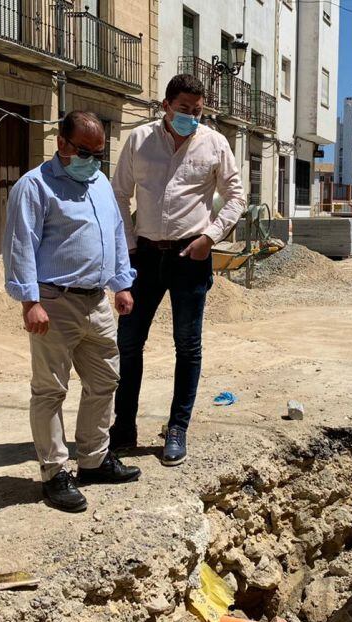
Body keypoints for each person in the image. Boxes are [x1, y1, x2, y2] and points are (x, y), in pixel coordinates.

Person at [2, 111, 141, 513]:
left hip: (96, 301)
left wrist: (122, 283)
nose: (93, 160)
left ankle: (95, 459)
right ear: (61, 144)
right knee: (50, 389)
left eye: (100, 153)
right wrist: (30, 302)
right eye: (85, 151)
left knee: (105, 381)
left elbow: (114, 233)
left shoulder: (99, 183)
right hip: (54, 301)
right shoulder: (34, 186)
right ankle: (54, 472)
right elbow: (20, 246)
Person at [110, 74, 245, 467]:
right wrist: (129, 245)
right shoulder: (139, 140)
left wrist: (212, 236)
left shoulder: (215, 143)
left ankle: (176, 429)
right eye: (184, 109)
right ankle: (124, 427)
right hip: (145, 256)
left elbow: (236, 196)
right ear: (166, 105)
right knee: (129, 343)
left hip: (192, 256)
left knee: (187, 346)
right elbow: (119, 193)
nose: (191, 117)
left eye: (198, 111)